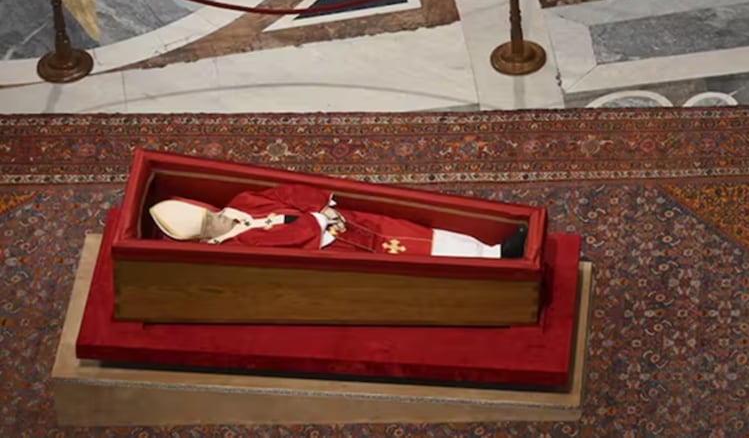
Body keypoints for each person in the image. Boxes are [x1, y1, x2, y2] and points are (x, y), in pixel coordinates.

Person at [149, 183, 529, 259]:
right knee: (414, 253)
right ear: (203, 239)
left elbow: (285, 194)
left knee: (416, 233)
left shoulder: (240, 203)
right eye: (211, 223)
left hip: (343, 220)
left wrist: (324, 208)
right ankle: (493, 262)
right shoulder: (236, 249)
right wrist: (320, 223)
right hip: (338, 247)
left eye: (212, 213)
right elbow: (285, 246)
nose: (219, 218)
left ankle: (489, 248)